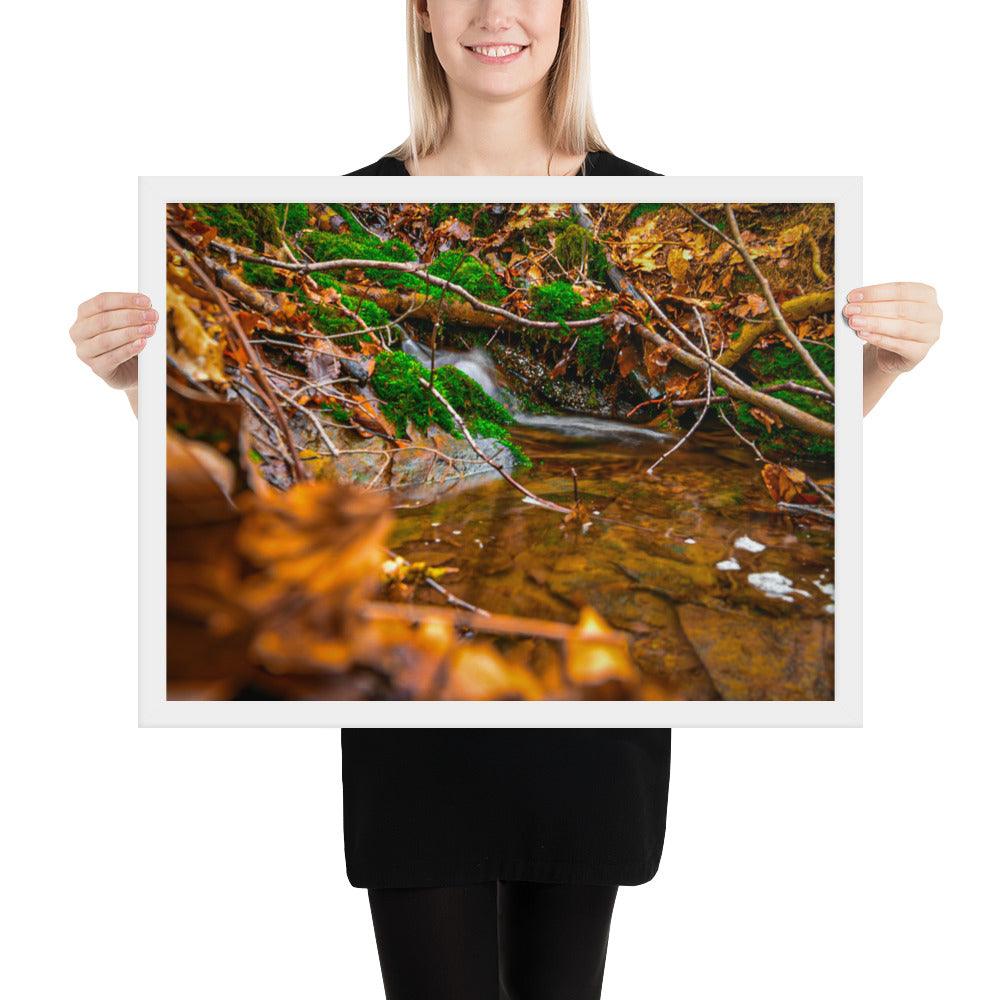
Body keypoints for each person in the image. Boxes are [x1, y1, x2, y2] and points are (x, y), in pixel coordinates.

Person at [68, 2, 942, 998]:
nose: (496, 13)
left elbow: (750, 471)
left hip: (591, 733)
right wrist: (146, 387)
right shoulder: (326, 210)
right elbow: (261, 475)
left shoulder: (657, 207)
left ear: (568, 16)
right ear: (424, 15)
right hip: (411, 724)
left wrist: (874, 373)